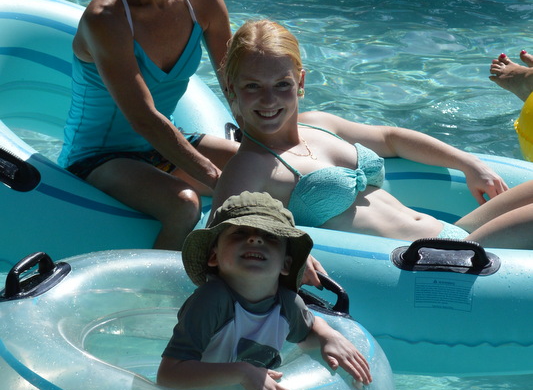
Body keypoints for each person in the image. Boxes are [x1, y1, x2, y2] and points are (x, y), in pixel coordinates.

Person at [210, 19, 533, 272]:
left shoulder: (318, 124)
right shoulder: (249, 167)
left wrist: (469, 164)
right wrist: (290, 252)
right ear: (231, 88)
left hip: (453, 233)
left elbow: (391, 139)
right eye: (253, 86)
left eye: (282, 84)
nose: (269, 99)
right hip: (433, 261)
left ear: (301, 82)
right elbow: (218, 243)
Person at [58, 0, 238, 250]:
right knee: (184, 204)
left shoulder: (203, 1)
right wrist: (217, 179)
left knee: (265, 172)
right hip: (98, 158)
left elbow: (235, 85)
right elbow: (142, 117)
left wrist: (265, 145)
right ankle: (155, 284)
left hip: (161, 146)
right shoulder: (106, 18)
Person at [157, 191, 372, 390]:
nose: (255, 239)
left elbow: (308, 329)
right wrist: (243, 372)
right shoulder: (212, 300)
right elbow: (169, 374)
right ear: (213, 257)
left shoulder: (287, 303)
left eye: (270, 236)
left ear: (286, 264)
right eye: (240, 232)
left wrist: (328, 335)